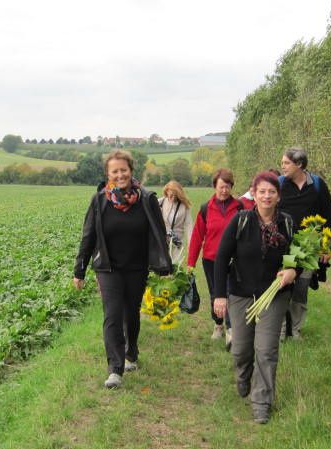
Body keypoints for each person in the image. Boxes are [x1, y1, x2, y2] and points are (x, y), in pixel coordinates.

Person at [73, 149, 172, 389]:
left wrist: (164, 264)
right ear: (108, 174)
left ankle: (131, 352)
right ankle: (115, 369)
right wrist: (80, 270)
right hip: (108, 269)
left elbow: (159, 234)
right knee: (113, 315)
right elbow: (88, 235)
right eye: (114, 171)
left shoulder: (146, 200)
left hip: (137, 268)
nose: (120, 175)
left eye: (123, 170)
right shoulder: (99, 201)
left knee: (131, 313)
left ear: (131, 171)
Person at [213, 171, 298, 424]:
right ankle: (243, 374)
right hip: (240, 293)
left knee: (266, 350)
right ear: (253, 193)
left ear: (278, 195)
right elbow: (221, 258)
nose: (267, 196)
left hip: (275, 294)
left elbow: (296, 254)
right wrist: (219, 295)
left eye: (271, 191)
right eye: (262, 191)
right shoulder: (241, 221)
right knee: (241, 349)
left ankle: (262, 402)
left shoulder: (287, 223)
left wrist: (294, 270)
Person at [278, 147, 331, 339]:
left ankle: (295, 330)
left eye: (286, 163)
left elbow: (329, 217)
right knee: (282, 286)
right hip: (283, 245)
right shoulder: (279, 184)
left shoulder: (318, 185)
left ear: (299, 164)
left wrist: (327, 246)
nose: (282, 166)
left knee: (301, 289)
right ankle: (281, 329)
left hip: (309, 246)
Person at [187, 168, 242, 347]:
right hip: (211, 260)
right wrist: (190, 263)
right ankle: (218, 325)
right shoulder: (206, 209)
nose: (224, 190)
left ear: (231, 187)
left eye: (227, 187)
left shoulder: (240, 208)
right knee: (215, 294)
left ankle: (231, 330)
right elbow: (197, 237)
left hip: (235, 260)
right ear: (214, 187)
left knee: (231, 294)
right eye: (221, 187)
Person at [159, 181, 193, 264]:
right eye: (169, 195)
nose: (171, 198)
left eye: (174, 195)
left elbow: (189, 226)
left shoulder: (184, 206)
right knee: (163, 269)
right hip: (163, 242)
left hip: (177, 243)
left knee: (176, 268)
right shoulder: (161, 201)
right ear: (166, 192)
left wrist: (190, 244)